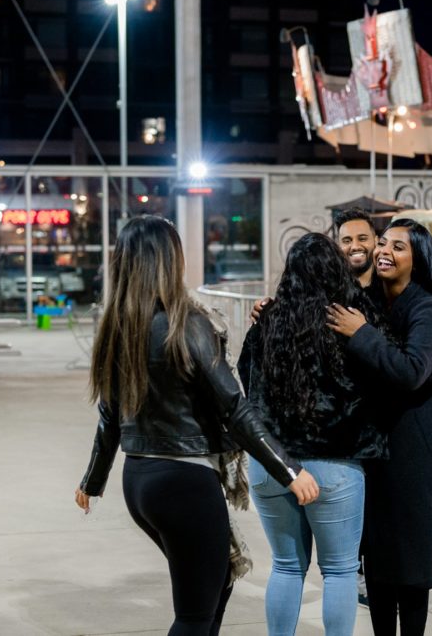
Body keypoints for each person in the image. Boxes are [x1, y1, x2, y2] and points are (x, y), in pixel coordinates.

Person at [75, 215, 319, 636]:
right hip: (184, 482)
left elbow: (109, 417)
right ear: (170, 259)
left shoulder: (120, 326)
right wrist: (289, 470)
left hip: (140, 482)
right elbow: (234, 408)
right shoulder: (185, 324)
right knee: (193, 613)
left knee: (217, 580)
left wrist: (94, 480)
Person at [238, 233, 387, 636]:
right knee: (339, 572)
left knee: (286, 567)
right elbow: (379, 382)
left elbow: (246, 381)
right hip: (333, 465)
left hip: (271, 464)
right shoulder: (352, 321)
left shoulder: (266, 321)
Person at [327, 218, 432, 636]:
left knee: (412, 551)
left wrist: (363, 334)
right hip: (376, 441)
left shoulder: (425, 306)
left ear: (418, 259)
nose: (385, 250)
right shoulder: (370, 297)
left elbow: (410, 371)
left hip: (417, 440)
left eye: (398, 247)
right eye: (383, 242)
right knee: (379, 552)